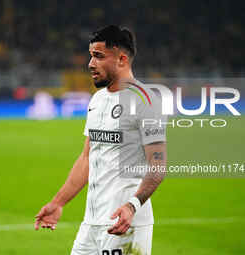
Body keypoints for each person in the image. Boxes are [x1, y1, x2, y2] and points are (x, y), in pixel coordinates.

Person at [34, 25, 167, 255]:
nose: (90, 64)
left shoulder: (145, 101)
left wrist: (132, 206)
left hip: (125, 223)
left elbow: (158, 165)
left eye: (98, 56)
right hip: (91, 224)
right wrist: (58, 203)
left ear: (122, 59)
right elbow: (87, 158)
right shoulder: (97, 100)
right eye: (90, 56)